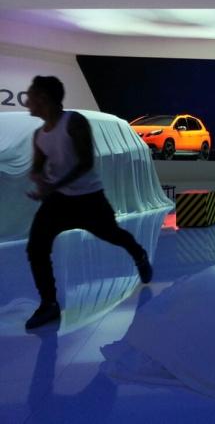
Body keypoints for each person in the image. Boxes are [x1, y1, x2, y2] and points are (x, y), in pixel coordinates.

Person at [23, 76, 152, 330]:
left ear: (43, 98)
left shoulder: (74, 122)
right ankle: (49, 304)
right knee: (36, 247)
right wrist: (38, 177)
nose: (27, 101)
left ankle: (139, 254)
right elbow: (38, 164)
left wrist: (52, 185)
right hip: (59, 200)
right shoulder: (39, 134)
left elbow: (86, 163)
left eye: (31, 95)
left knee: (112, 234)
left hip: (89, 198)